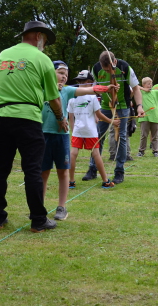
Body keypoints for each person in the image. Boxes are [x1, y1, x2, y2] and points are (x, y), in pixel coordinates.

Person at [0, 20, 65, 233]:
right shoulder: (42, 59)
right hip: (28, 119)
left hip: (1, 116)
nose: (45, 45)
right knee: (32, 169)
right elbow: (53, 97)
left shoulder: (3, 55)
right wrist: (61, 118)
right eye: (45, 40)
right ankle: (38, 219)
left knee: (0, 169)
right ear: (39, 36)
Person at [41, 61, 117, 220]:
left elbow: (90, 89)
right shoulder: (41, 88)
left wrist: (106, 88)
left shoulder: (68, 90)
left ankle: (61, 207)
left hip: (61, 136)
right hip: (43, 134)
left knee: (63, 171)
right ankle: (39, 207)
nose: (64, 77)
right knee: (43, 173)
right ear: (51, 72)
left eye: (66, 75)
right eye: (61, 73)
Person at [83, 51, 145, 184]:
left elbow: (136, 88)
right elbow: (92, 88)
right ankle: (92, 169)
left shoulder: (125, 67)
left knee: (121, 136)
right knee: (98, 135)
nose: (108, 71)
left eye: (110, 68)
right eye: (105, 69)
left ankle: (119, 171)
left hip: (122, 106)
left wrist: (139, 106)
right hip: (105, 106)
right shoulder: (96, 69)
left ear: (115, 62)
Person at [68, 70, 120, 188]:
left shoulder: (73, 97)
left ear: (90, 83)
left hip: (79, 131)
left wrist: (73, 130)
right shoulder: (92, 97)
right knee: (95, 154)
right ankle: (105, 181)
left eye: (84, 82)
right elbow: (99, 114)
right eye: (80, 82)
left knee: (74, 153)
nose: (82, 84)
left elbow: (71, 117)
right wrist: (113, 121)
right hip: (89, 131)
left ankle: (71, 181)